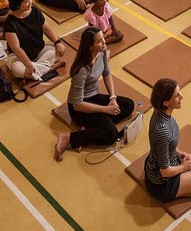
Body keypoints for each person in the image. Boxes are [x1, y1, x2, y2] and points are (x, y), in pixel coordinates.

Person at [53, 26, 136, 159]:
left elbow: (107, 73)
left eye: (103, 38)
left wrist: (113, 98)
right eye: (99, 41)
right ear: (90, 47)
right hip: (79, 108)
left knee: (128, 105)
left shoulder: (102, 52)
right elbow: (77, 104)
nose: (104, 42)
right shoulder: (81, 70)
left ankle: (91, 129)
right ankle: (69, 138)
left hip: (94, 97)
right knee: (112, 135)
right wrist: (105, 109)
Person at [144, 78, 191, 202]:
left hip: (169, 160)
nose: (181, 96)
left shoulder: (159, 110)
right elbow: (165, 172)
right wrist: (184, 168)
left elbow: (165, 145)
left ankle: (186, 183)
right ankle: (175, 192)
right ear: (166, 103)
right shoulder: (162, 131)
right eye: (177, 95)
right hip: (163, 183)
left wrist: (177, 152)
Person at [2, 0, 67, 81]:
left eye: (30, 0)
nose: (30, 3)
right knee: (18, 70)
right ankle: (50, 68)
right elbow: (16, 48)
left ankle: (35, 73)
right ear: (17, 5)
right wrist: (28, 64)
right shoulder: (10, 23)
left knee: (54, 52)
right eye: (26, 2)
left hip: (39, 51)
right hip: (19, 58)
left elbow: (46, 28)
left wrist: (58, 42)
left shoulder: (35, 11)